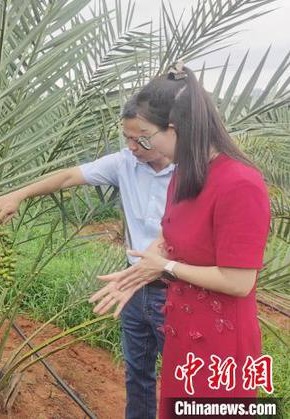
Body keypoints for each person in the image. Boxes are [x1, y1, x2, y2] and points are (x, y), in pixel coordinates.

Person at [89, 62, 270, 418]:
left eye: (144, 137)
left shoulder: (240, 183)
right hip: (182, 328)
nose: (139, 147)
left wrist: (167, 267)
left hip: (220, 341)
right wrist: (139, 274)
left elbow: (238, 281)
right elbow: (167, 234)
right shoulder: (186, 175)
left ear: (174, 130)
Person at [0, 98, 174, 419]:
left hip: (174, 290)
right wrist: (18, 194)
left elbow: (175, 233)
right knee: (137, 373)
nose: (132, 146)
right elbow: (69, 176)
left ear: (170, 131)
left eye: (140, 137)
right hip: (131, 286)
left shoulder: (193, 173)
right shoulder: (124, 162)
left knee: (183, 378)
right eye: (126, 137)